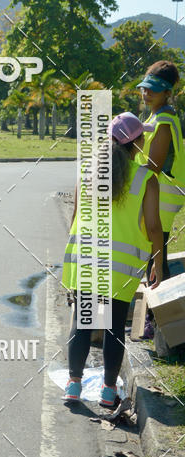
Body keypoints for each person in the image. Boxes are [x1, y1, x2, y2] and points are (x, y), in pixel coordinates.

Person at [62, 112, 163, 409]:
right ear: (138, 142)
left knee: (82, 322)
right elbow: (154, 227)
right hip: (119, 269)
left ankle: (73, 385)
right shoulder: (146, 178)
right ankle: (108, 391)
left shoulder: (87, 171)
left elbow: (76, 216)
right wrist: (157, 262)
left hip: (85, 261)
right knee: (112, 326)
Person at [136, 61, 185, 282]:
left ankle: (159, 314)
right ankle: (158, 313)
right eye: (145, 88)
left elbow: (154, 166)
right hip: (158, 190)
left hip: (163, 193)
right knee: (154, 253)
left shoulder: (163, 121)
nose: (146, 93)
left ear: (167, 92)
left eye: (153, 89)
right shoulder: (157, 115)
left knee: (156, 255)